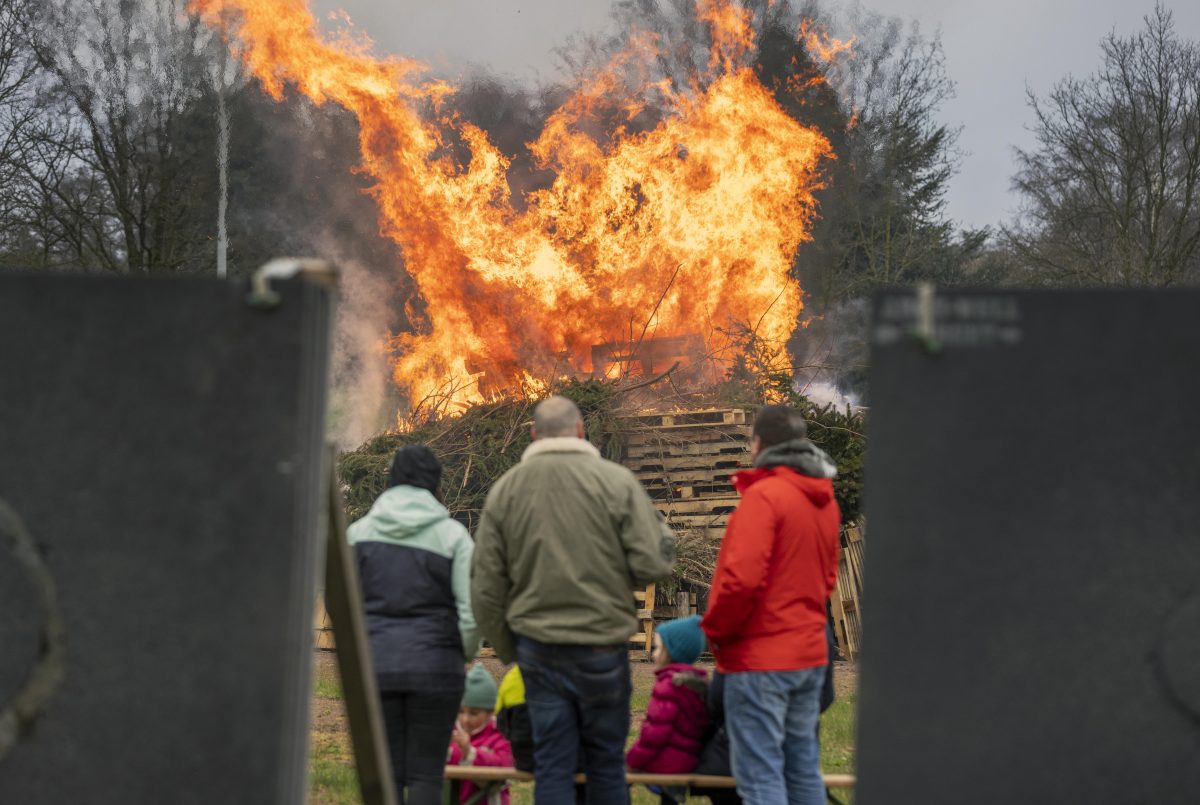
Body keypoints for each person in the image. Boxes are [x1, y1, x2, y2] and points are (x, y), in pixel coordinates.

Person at [472, 395, 675, 805]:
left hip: (539, 650)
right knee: (604, 764)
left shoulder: (506, 490)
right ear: (581, 431)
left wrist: (511, 648)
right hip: (602, 644)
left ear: (532, 434)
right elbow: (654, 562)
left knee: (553, 765)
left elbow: (485, 587)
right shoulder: (616, 482)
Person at [701, 405, 841, 805]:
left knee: (761, 780)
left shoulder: (764, 496)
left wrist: (715, 634)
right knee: (802, 774)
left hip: (762, 661)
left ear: (758, 443)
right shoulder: (824, 500)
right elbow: (828, 578)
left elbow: (740, 581)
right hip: (810, 655)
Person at [348, 445, 479, 805]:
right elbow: (469, 609)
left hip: (375, 667)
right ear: (434, 484)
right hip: (437, 670)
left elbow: (340, 603)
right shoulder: (454, 537)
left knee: (385, 771)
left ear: (391, 480)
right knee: (426, 774)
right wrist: (465, 651)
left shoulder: (357, 534)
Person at [627, 615, 711, 775]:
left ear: (672, 652)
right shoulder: (696, 683)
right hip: (689, 759)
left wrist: (632, 761)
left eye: (658, 648)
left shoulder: (669, 687)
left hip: (667, 763)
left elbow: (655, 735)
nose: (654, 654)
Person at [447, 664, 515, 805]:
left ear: (490, 712)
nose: (465, 719)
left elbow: (504, 768)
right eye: (461, 711)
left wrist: (470, 753)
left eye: (474, 713)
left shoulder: (499, 735)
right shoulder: (449, 733)